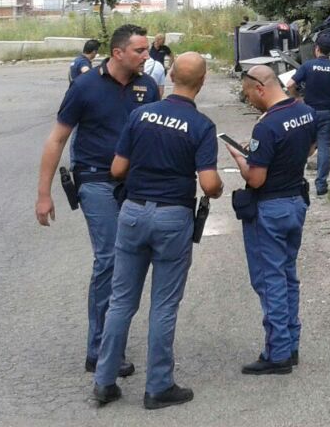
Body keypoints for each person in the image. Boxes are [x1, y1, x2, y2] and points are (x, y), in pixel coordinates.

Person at [92, 53, 223, 409]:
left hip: (132, 212)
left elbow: (118, 169)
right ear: (203, 80)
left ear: (171, 75)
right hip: (172, 218)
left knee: (121, 301)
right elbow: (209, 184)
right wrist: (218, 187)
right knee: (163, 305)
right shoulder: (201, 125)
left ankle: (104, 381)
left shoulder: (139, 115)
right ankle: (158, 386)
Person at [35, 23, 159, 378]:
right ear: (118, 52)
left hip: (134, 183)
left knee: (132, 260)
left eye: (147, 50)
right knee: (109, 258)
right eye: (139, 51)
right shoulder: (86, 86)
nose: (146, 56)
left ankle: (113, 337)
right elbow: (57, 139)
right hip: (94, 180)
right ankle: (100, 349)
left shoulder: (146, 86)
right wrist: (44, 194)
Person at [227, 65, 316, 375]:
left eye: (248, 94)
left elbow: (256, 179)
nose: (248, 99)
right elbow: (310, 147)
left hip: (271, 210)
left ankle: (277, 353)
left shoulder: (266, 127)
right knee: (288, 276)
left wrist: (240, 158)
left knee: (270, 280)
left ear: (260, 88)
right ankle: (290, 344)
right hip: (296, 204)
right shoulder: (304, 112)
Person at [287, 32, 330, 196]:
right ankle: (321, 185)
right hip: (327, 113)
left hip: (308, 112)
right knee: (324, 147)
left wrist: (297, 98)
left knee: (302, 145)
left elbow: (290, 84)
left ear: (317, 49)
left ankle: (295, 182)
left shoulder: (308, 66)